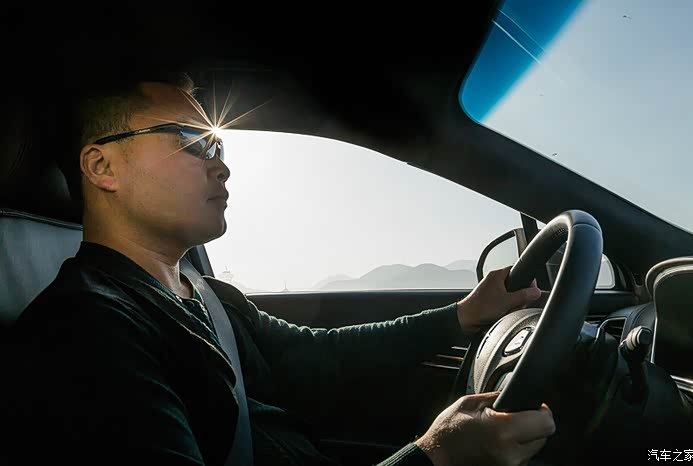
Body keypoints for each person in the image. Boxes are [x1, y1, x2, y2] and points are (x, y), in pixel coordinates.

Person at [3, 72, 555, 465]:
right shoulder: (87, 336)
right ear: (102, 166)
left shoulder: (207, 294)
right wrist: (436, 456)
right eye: (193, 141)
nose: (221, 165)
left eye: (217, 144)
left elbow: (316, 355)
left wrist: (463, 315)